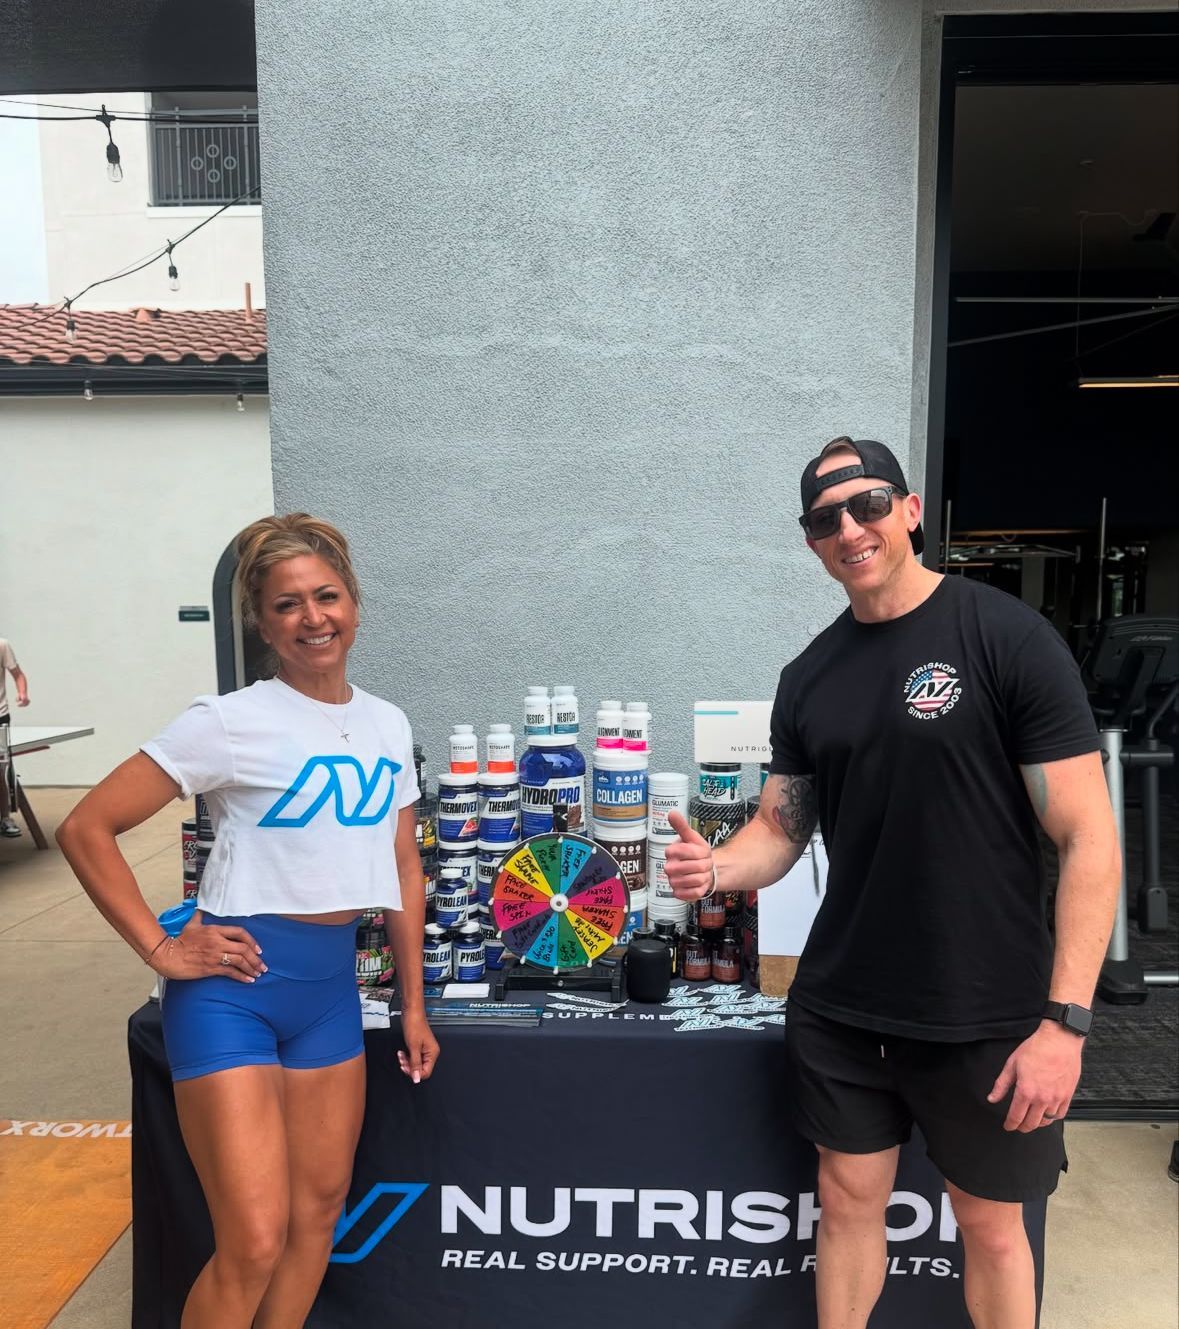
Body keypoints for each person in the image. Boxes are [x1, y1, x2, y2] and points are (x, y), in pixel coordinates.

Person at [665, 437, 1119, 1329]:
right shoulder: (809, 677)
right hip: (844, 1003)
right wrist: (718, 865)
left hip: (983, 1005)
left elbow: (1088, 836)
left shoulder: (1005, 638)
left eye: (867, 503)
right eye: (823, 517)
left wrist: (1064, 1020)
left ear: (909, 510)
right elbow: (779, 829)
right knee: (846, 1203)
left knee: (990, 1226)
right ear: (810, 543)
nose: (849, 527)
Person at [57, 514, 438, 1329]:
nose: (313, 618)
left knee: (316, 1219)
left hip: (331, 992)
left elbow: (403, 867)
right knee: (254, 1240)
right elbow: (86, 826)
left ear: (355, 604)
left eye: (326, 596)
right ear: (262, 625)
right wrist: (160, 946)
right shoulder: (228, 719)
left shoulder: (387, 723)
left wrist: (411, 1003)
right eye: (287, 604)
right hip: (235, 991)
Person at [0, 635, 31, 836]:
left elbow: (18, 674)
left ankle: (5, 818)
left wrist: (23, 693)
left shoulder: (2, 645)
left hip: (0, 717)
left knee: (1, 771)